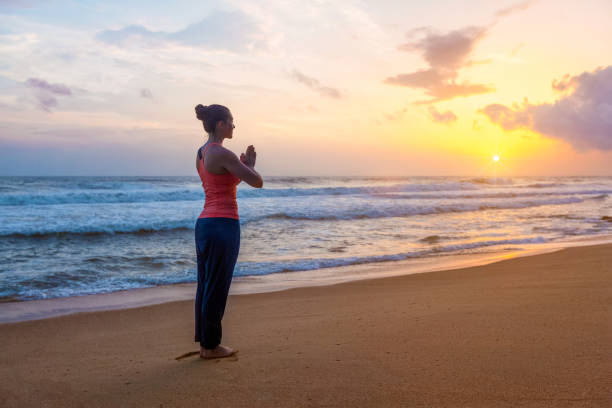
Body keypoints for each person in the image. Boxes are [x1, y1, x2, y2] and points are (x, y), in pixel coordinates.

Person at [193, 103, 263, 359]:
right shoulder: (222, 153)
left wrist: (240, 167)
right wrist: (251, 165)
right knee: (217, 286)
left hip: (205, 224)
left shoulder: (201, 153)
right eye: (231, 121)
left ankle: (205, 342)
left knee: (206, 284)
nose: (234, 125)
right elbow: (257, 181)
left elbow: (222, 182)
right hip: (223, 224)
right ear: (220, 124)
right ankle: (211, 347)